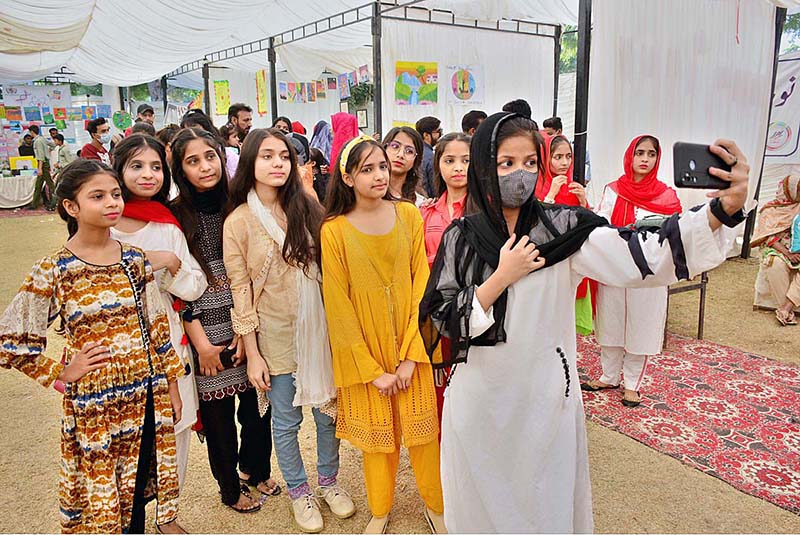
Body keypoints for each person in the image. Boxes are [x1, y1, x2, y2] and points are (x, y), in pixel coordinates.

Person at [419, 112, 749, 533]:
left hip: (545, 403)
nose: (521, 174)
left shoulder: (563, 230)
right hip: (481, 404)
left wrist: (723, 209)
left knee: (545, 506)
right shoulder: (461, 237)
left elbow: (641, 252)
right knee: (482, 509)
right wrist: (502, 276)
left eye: (530, 163)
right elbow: (442, 319)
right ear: (485, 166)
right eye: (506, 163)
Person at [0, 159, 185, 533]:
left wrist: (173, 387)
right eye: (97, 196)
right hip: (96, 405)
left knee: (136, 493)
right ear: (71, 206)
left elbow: (157, 329)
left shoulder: (134, 260)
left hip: (147, 395)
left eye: (115, 194)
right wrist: (61, 371)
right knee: (103, 497)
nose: (111, 203)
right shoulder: (54, 269)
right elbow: (11, 340)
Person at [224, 128, 355, 533]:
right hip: (275, 335)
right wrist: (253, 352)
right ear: (250, 163)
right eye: (267, 156)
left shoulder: (308, 206)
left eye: (284, 156)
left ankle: (329, 482)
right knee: (285, 421)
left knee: (327, 415)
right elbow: (240, 289)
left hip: (322, 329)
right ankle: (300, 492)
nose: (278, 163)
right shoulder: (239, 222)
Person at [321, 135, 445, 534]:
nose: (379, 175)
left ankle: (437, 506)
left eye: (381, 166)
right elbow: (338, 307)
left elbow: (423, 287)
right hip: (366, 354)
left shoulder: (409, 215)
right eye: (367, 169)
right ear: (347, 177)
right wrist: (373, 370)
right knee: (378, 443)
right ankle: (380, 508)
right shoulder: (334, 230)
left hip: (411, 346)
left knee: (425, 437)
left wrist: (412, 354)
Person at [169, 127, 279, 513]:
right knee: (218, 422)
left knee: (256, 408)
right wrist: (200, 344)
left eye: (210, 156)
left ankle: (256, 468)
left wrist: (242, 326)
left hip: (244, 320)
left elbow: (251, 269)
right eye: (193, 161)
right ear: (180, 169)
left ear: (222, 156)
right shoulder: (175, 215)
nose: (205, 167)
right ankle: (229, 488)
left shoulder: (240, 203)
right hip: (201, 330)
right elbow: (174, 286)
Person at [109, 135, 207, 532]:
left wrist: (170, 266)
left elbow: (195, 285)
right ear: (119, 170)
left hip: (167, 342)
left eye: (155, 167)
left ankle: (168, 517)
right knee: (126, 434)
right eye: (136, 166)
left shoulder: (166, 225)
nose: (147, 174)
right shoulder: (102, 219)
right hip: (119, 350)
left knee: (175, 428)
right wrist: (149, 261)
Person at [582, 135, 683, 407]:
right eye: (640, 153)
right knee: (610, 320)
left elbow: (675, 232)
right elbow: (600, 225)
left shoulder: (667, 196)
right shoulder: (613, 190)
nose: (645, 160)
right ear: (630, 155)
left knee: (642, 323)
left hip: (648, 273)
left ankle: (632, 384)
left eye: (651, 154)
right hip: (615, 266)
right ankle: (608, 376)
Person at [419, 132, 471, 431]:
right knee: (439, 381)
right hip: (436, 309)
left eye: (465, 160)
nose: (458, 168)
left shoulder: (487, 210)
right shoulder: (425, 211)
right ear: (438, 164)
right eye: (449, 160)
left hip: (474, 307)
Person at [536, 133, 594, 334]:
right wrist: (551, 194)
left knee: (567, 313)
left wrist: (583, 203)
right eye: (558, 157)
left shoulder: (573, 186)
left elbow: (589, 224)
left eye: (568, 157)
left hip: (572, 256)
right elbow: (536, 224)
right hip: (548, 258)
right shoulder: (539, 185)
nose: (564, 162)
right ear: (546, 158)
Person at [750, 174, 800, 325]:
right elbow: (767, 237)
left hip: (796, 250)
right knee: (775, 264)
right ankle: (787, 309)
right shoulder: (770, 209)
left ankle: (786, 308)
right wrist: (788, 254)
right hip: (777, 248)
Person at [383, 126, 425, 205]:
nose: (400, 155)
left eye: (409, 151)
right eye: (395, 146)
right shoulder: (367, 195)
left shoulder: (420, 204)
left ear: (416, 160)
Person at [29, 125, 56, 210]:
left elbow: (40, 156)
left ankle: (57, 200)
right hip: (44, 163)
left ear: (32, 132)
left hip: (43, 164)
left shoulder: (38, 141)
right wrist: (48, 151)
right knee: (39, 184)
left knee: (50, 185)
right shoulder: (42, 139)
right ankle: (34, 204)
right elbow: (53, 145)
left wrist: (40, 168)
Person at [415, 116, 442, 198]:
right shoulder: (430, 157)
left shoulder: (414, 151)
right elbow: (435, 187)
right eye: (438, 131)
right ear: (426, 135)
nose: (441, 134)